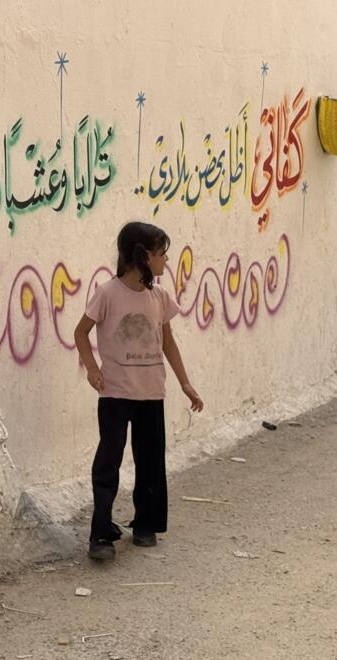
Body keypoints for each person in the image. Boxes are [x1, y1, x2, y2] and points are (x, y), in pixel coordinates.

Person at [74, 222, 204, 561]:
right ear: (144, 256)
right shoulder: (107, 293)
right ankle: (101, 534)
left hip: (151, 394)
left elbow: (169, 343)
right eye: (162, 254)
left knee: (150, 461)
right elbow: (81, 333)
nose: (166, 261)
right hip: (115, 394)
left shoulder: (159, 296)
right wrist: (92, 368)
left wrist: (185, 382)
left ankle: (146, 525)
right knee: (109, 462)